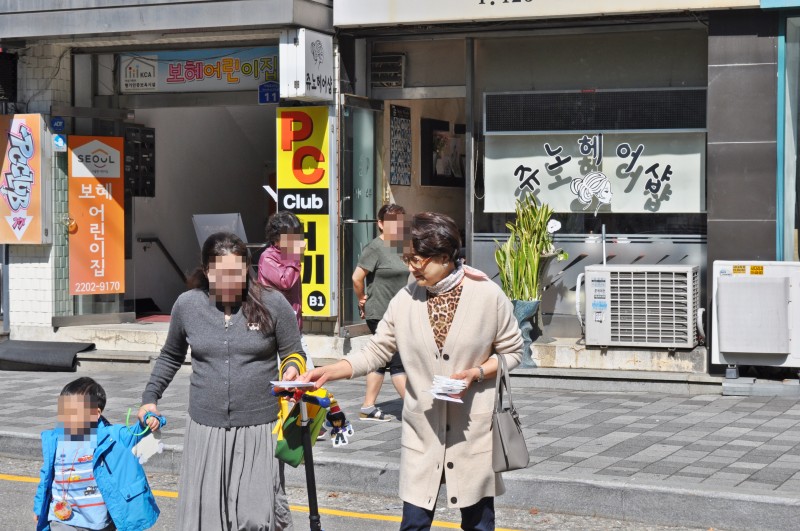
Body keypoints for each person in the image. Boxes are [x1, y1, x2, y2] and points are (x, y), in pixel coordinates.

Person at [301, 212, 523, 531]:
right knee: (414, 524)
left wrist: (475, 373)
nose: (411, 267)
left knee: (478, 524)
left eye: (418, 260)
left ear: (445, 257)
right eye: (408, 258)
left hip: (473, 432)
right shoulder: (406, 300)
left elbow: (513, 351)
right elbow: (378, 349)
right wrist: (332, 371)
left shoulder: (487, 295)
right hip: (423, 429)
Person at [138, 232, 305, 531]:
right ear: (207, 270)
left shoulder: (272, 303)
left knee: (256, 518)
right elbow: (170, 355)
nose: (231, 281)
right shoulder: (188, 305)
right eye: (222, 274)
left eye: (238, 272)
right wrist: (151, 396)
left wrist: (292, 369)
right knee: (208, 520)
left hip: (258, 426)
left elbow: (294, 352)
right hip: (206, 428)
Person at [34, 377, 161, 531]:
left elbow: (135, 433)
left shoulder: (111, 436)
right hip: (62, 519)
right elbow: (46, 477)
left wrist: (147, 420)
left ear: (95, 414)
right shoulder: (56, 440)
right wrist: (39, 506)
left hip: (97, 521)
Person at [351, 204, 409, 421]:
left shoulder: (403, 246)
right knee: (397, 362)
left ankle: (367, 406)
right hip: (381, 313)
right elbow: (357, 278)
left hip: (400, 313)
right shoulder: (375, 248)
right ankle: (416, 411)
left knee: (381, 361)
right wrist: (361, 299)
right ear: (381, 224)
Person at [258, 210, 316, 369]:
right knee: (285, 381)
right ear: (276, 239)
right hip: (274, 331)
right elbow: (286, 282)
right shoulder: (268, 257)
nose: (296, 240)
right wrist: (295, 255)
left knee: (306, 378)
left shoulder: (289, 255)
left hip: (295, 330)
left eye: (297, 235)